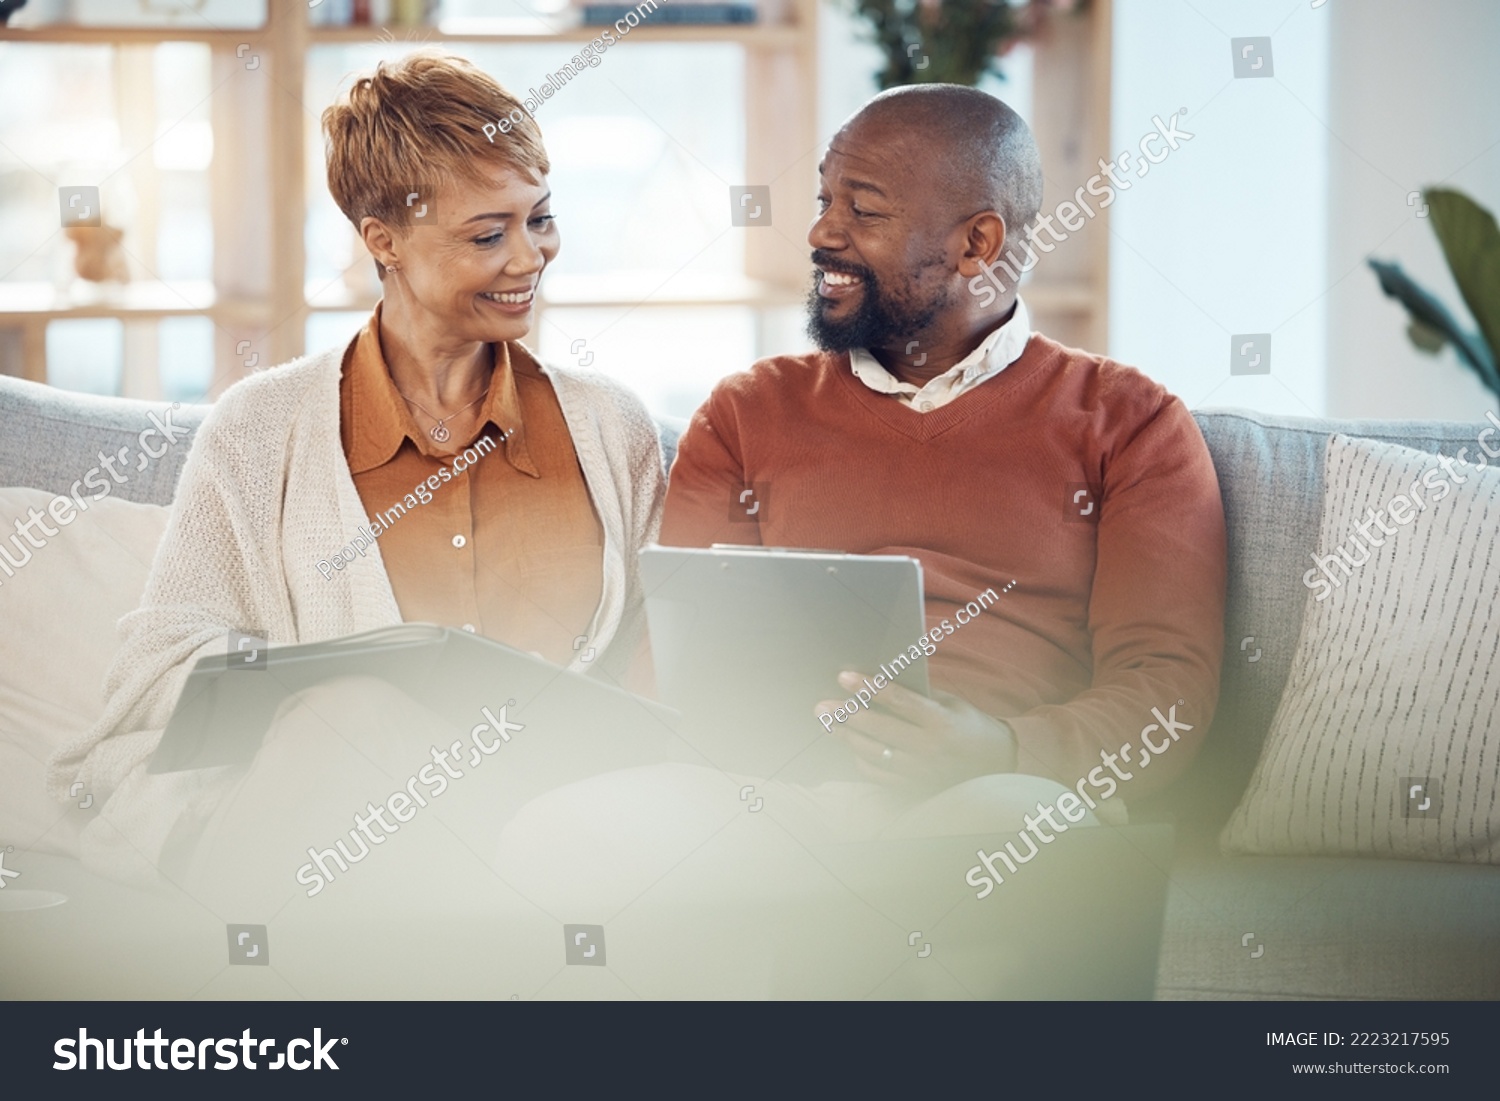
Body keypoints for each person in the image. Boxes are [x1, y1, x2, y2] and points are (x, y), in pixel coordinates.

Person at [47, 52, 665, 886]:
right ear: (384, 240)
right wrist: (338, 685)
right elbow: (155, 667)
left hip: (541, 842)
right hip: (333, 840)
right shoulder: (260, 429)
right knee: (359, 716)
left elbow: (665, 675)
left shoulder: (613, 429)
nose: (530, 258)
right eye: (488, 234)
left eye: (541, 219)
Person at [659, 84, 1227, 807]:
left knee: (996, 814)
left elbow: (1166, 691)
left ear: (976, 245)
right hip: (778, 795)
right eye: (825, 200)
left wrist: (1004, 750)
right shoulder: (744, 413)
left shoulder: (1132, 423)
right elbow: (675, 654)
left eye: (863, 210)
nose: (822, 233)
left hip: (1005, 793)